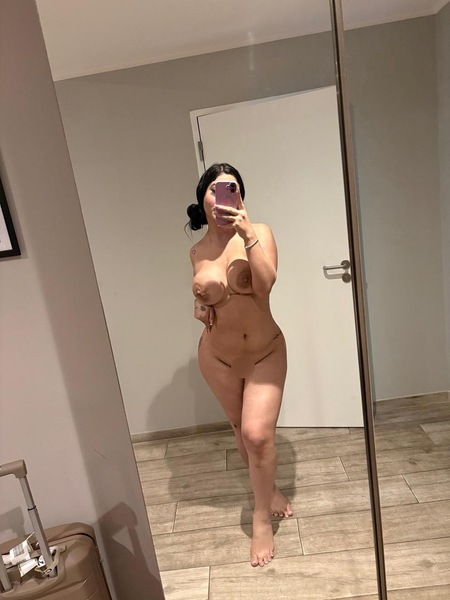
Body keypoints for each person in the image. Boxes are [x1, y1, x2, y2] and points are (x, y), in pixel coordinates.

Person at [186, 163, 292, 568]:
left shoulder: (259, 232)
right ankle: (269, 490)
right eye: (213, 190)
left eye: (230, 189)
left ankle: (260, 518)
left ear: (240, 196)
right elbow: (202, 298)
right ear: (203, 198)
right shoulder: (196, 251)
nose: (221, 197)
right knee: (239, 430)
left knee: (257, 435)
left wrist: (248, 236)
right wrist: (201, 309)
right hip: (217, 356)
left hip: (265, 352)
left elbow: (264, 285)